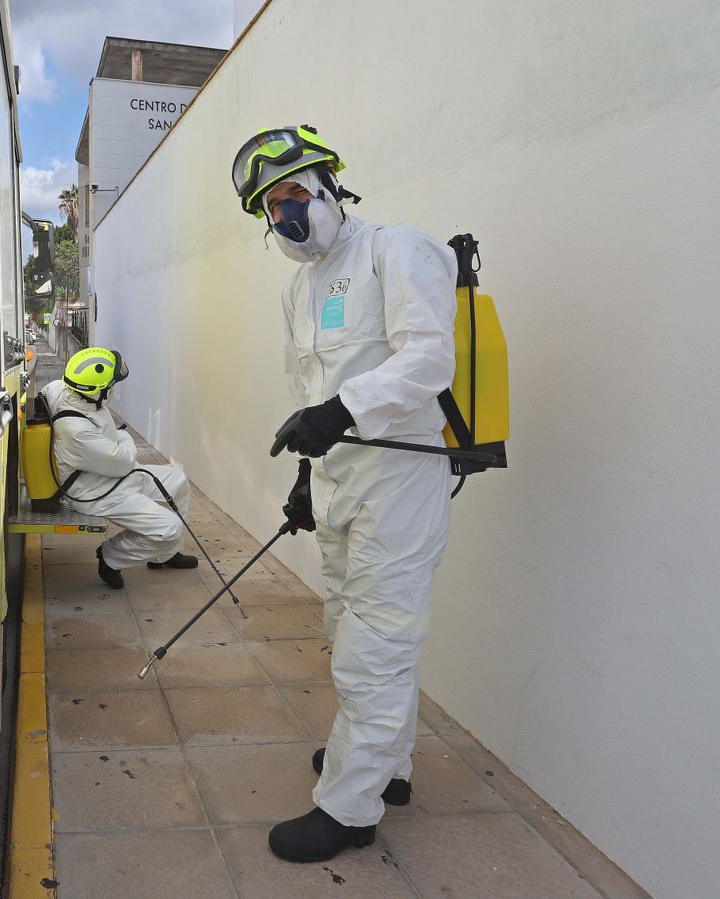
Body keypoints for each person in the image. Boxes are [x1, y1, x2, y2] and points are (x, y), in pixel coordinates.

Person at [230, 126, 457, 862]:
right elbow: (311, 391)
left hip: (399, 483)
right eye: (271, 207)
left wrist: (343, 412)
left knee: (376, 646)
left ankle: (351, 807)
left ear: (330, 185)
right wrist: (306, 473)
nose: (285, 215)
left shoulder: (399, 250)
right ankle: (388, 765)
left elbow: (429, 358)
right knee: (351, 624)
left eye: (294, 193)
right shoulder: (300, 288)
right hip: (338, 487)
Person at [39, 346, 199, 589]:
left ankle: (165, 555)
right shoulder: (76, 430)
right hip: (96, 491)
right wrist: (124, 437)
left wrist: (119, 442)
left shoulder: (63, 388)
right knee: (170, 528)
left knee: (179, 480)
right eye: (111, 384)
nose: (113, 388)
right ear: (96, 390)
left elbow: (46, 391)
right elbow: (123, 461)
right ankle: (111, 557)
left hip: (110, 474)